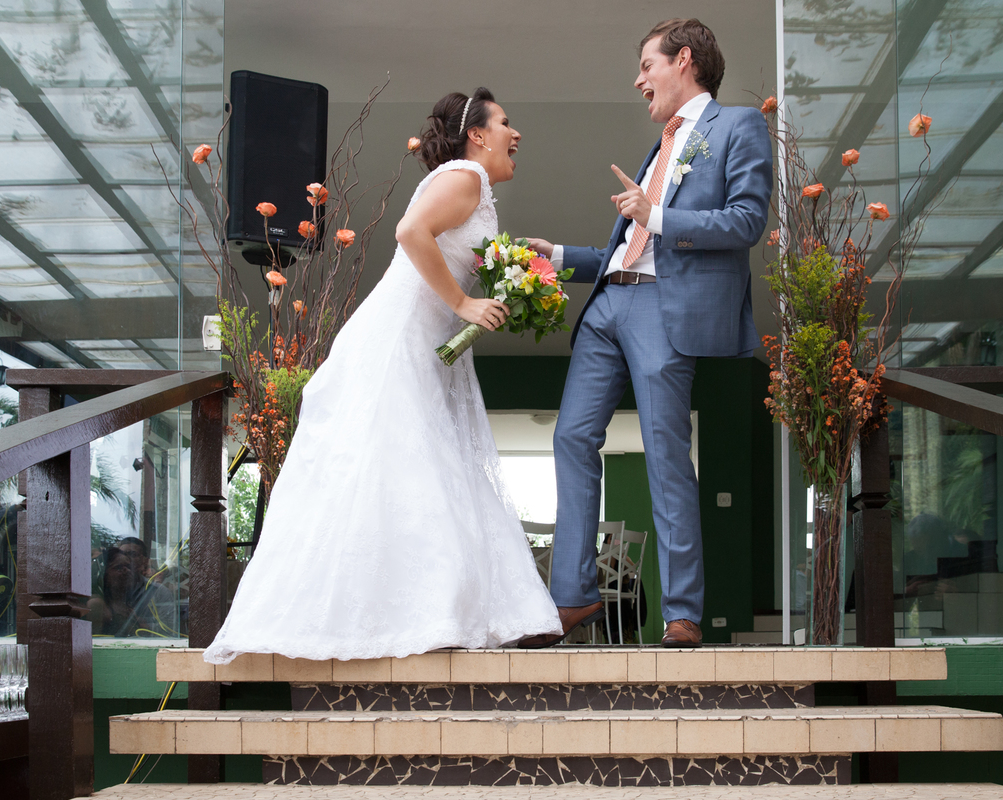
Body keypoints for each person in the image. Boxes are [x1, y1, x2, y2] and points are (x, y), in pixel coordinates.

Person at [203, 89, 562, 664]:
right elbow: (410, 233)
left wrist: (518, 266)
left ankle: (444, 611)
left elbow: (449, 245)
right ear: (477, 135)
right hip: (398, 341)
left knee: (427, 469)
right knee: (411, 465)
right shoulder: (465, 175)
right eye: (506, 122)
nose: (515, 134)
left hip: (422, 344)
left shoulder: (470, 184)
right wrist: (465, 305)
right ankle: (429, 615)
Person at [521, 19, 772, 649]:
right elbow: (630, 245)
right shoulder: (662, 144)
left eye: (646, 66)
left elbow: (746, 221)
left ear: (683, 60)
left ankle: (681, 612)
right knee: (571, 437)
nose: (638, 80)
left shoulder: (737, 126)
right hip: (609, 304)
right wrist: (560, 254)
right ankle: (574, 597)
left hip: (666, 311)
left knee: (665, 456)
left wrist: (654, 213)